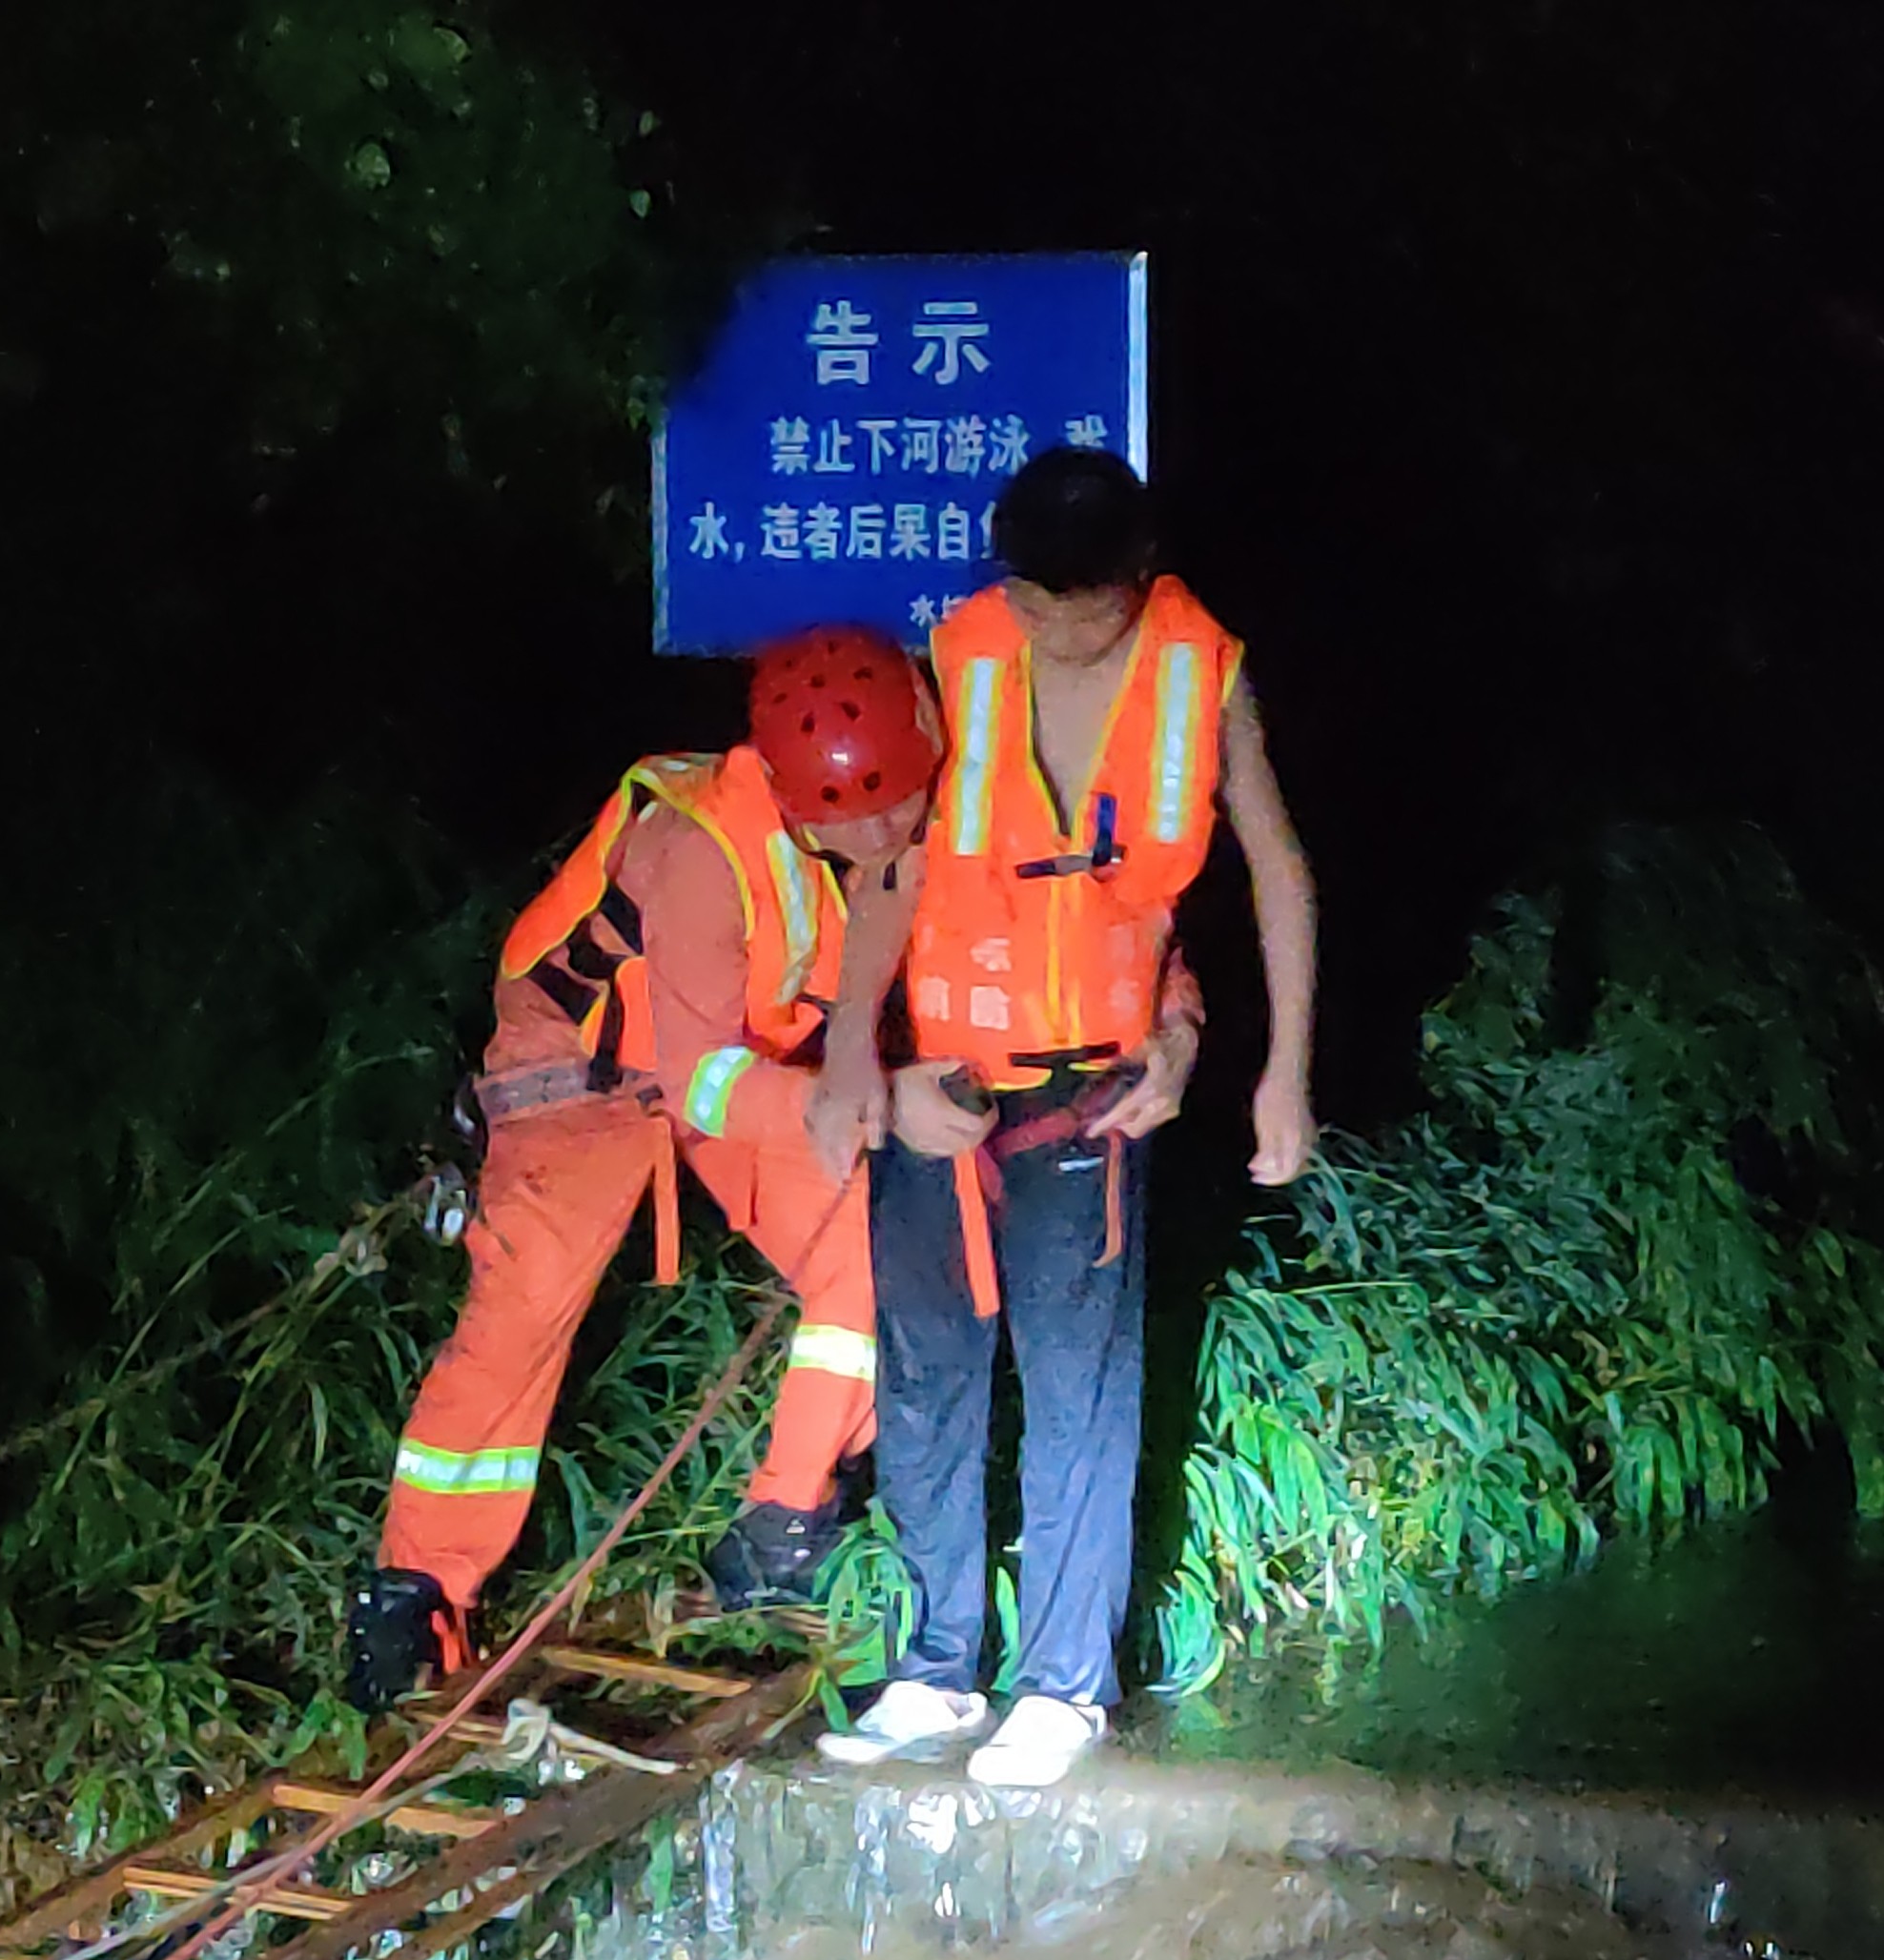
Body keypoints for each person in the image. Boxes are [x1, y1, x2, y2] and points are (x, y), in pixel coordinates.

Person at [809, 448, 1320, 1786]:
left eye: (1080, 610)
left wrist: (1281, 1070)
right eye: (1032, 601)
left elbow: (1277, 870)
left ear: (1138, 582)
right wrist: (853, 1054)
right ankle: (933, 1671)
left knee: (1078, 1390)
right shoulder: (963, 652)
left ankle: (1063, 1688)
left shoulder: (1204, 676)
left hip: (1092, 1091)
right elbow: (893, 862)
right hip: (943, 1086)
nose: (1051, 630)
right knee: (925, 1380)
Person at [342, 626, 942, 1710]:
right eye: (864, 819)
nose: (893, 832)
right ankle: (416, 1594)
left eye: (904, 802)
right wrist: (854, 1105)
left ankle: (786, 1521)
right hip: (580, 1072)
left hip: (753, 1060)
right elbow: (705, 1081)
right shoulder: (701, 852)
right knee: (520, 1314)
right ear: (805, 804)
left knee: (872, 1256)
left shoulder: (913, 813)